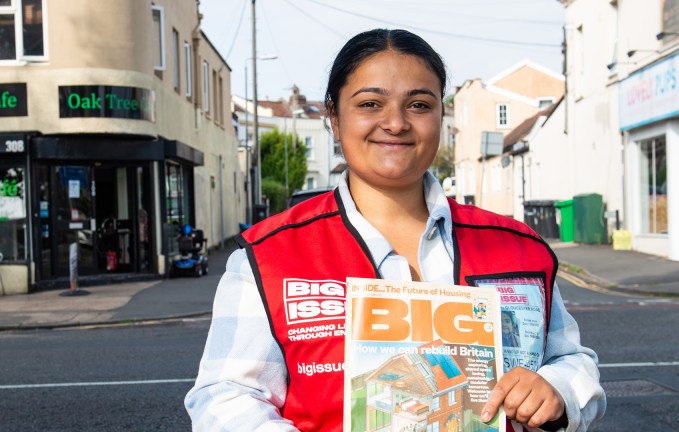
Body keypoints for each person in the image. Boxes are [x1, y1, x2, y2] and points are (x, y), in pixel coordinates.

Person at [185, 28, 606, 431]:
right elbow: (225, 397)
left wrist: (560, 391)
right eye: (370, 104)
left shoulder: (519, 249)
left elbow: (573, 361)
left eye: (419, 105)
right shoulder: (268, 257)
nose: (396, 123)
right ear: (334, 117)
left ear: (442, 115)